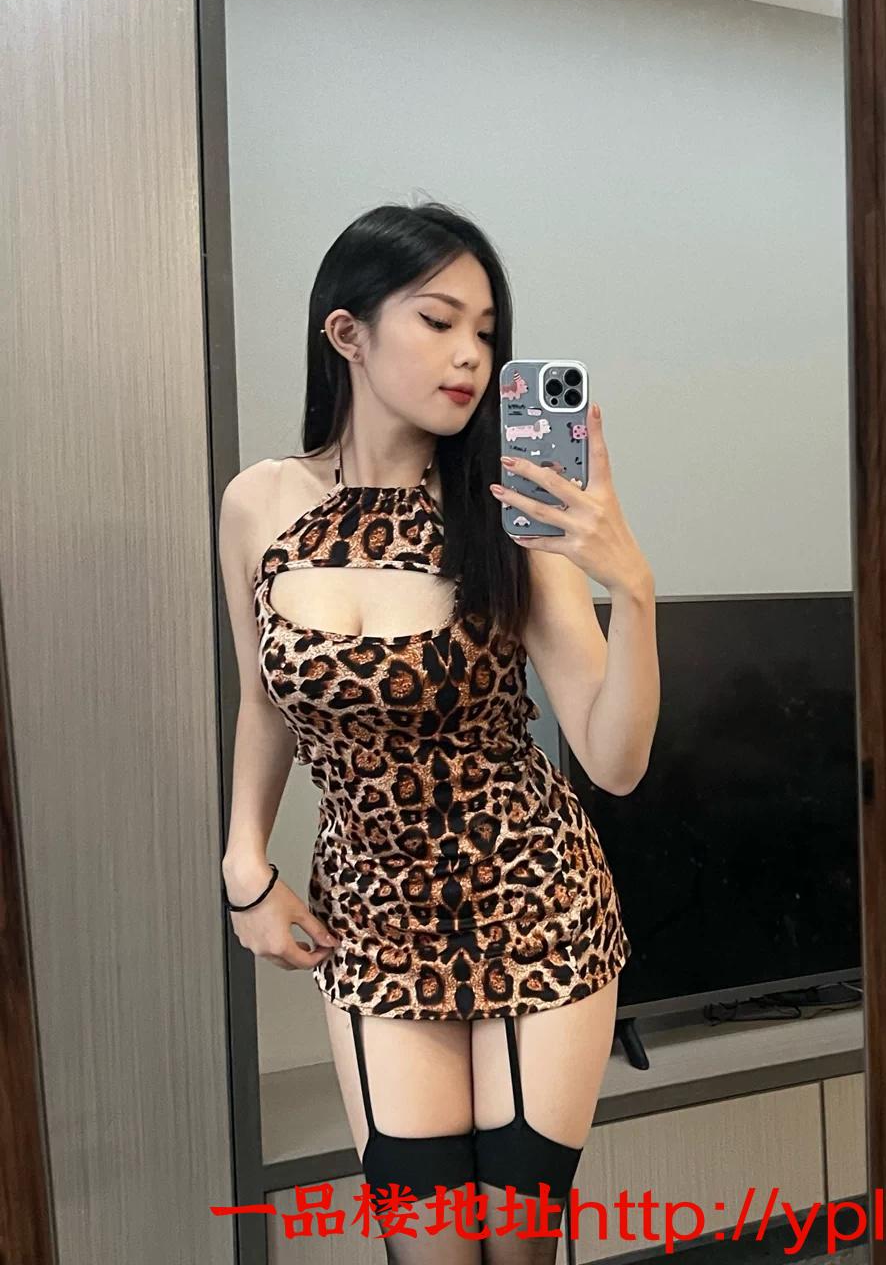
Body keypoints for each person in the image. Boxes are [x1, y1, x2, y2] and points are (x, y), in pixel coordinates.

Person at [218, 201, 659, 1262]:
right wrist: (244, 865)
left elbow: (614, 762)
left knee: (515, 1249)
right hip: (374, 918)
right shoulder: (258, 505)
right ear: (347, 332)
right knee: (429, 1250)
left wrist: (633, 591)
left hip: (537, 904)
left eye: (487, 332)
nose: (471, 355)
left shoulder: (510, 512)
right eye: (439, 320)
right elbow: (264, 700)